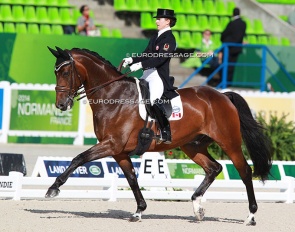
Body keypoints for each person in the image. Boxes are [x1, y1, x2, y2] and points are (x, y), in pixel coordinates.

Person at [122, 8, 178, 144]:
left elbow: (160, 59)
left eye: (159, 19)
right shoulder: (155, 36)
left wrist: (140, 65)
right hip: (147, 73)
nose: (157, 21)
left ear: (168, 21)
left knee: (152, 100)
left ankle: (166, 132)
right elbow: (146, 54)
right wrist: (132, 60)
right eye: (157, 19)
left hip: (157, 76)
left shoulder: (169, 39)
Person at [220, 7, 246, 85]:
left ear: (232, 14)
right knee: (232, 66)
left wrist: (224, 40)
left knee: (226, 66)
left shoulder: (232, 23)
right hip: (237, 48)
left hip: (229, 48)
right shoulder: (243, 23)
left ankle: (224, 83)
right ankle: (229, 82)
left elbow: (224, 34)